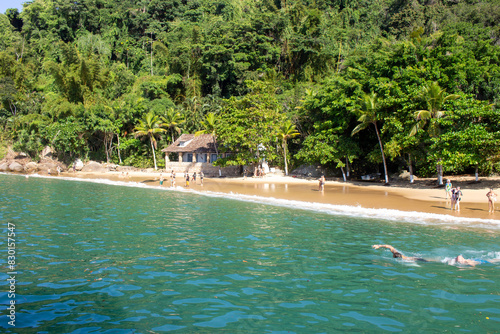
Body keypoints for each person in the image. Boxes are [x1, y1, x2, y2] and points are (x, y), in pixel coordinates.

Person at [372, 244, 499, 267]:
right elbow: (390, 247)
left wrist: (379, 246)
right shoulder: (400, 255)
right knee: (489, 260)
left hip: (424, 260)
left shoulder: (403, 259)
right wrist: (379, 245)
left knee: (488, 261)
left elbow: (390, 248)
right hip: (424, 259)